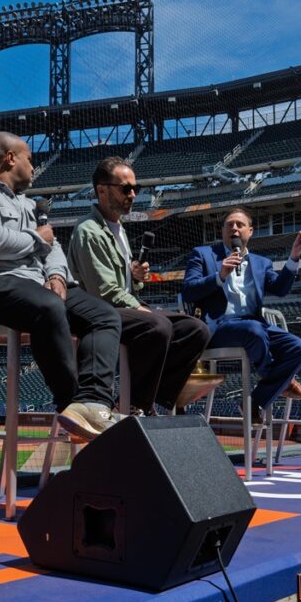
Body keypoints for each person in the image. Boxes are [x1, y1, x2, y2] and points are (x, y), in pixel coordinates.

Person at [0, 132, 122, 442]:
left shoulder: (29, 205)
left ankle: (94, 403)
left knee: (104, 316)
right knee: (48, 306)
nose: (34, 167)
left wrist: (56, 275)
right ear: (10, 158)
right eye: (29, 159)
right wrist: (37, 239)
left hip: (35, 286)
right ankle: (70, 403)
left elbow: (53, 247)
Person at [68, 157, 210, 415]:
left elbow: (120, 285)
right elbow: (104, 291)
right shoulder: (89, 230)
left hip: (120, 309)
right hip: (97, 313)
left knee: (196, 329)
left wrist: (134, 278)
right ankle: (134, 404)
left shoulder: (118, 229)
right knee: (157, 325)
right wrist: (137, 306)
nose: (133, 194)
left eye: (136, 188)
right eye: (125, 188)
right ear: (102, 190)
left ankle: (148, 399)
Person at [181, 208, 301, 424]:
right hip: (219, 327)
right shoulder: (203, 254)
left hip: (255, 326)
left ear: (250, 231)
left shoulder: (261, 262)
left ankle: (254, 403)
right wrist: (219, 276)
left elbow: (280, 289)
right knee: (254, 330)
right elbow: (188, 291)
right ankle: (280, 380)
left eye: (240, 225)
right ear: (222, 231)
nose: (234, 228)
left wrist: (294, 257)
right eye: (229, 224)